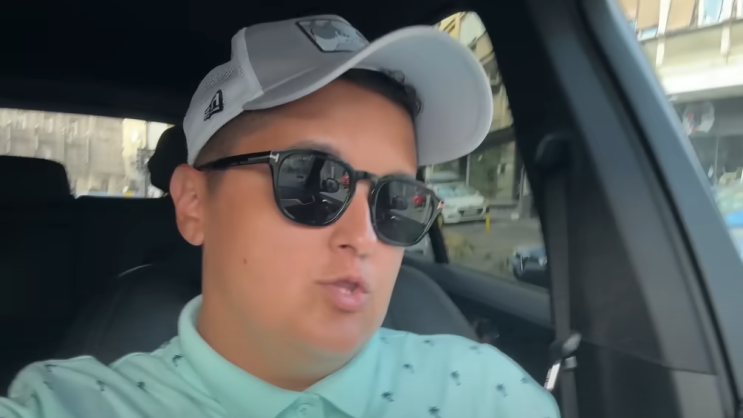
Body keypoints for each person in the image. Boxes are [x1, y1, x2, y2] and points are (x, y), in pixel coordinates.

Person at [0, 15, 560, 418]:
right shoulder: (69, 404)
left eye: (396, 199)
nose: (364, 236)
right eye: (313, 180)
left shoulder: (484, 390)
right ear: (193, 203)